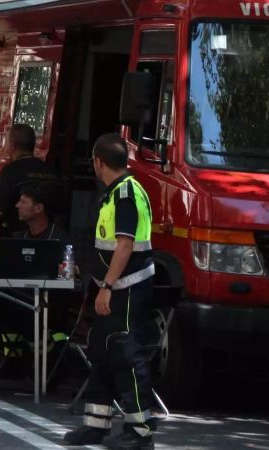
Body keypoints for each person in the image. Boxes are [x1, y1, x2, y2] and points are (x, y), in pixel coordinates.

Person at [64, 134, 157, 449]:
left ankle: (140, 431)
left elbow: (125, 245)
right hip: (115, 287)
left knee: (126, 354)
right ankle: (96, 424)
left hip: (126, 288)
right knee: (101, 350)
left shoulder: (126, 194)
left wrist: (105, 286)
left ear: (98, 162)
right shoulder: (117, 192)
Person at [0, 183, 71, 391]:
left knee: (30, 314)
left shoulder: (59, 239)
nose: (17, 205)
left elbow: (70, 275)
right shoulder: (16, 238)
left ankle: (50, 369)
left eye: (23, 201)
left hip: (47, 305)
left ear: (39, 208)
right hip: (17, 299)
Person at [0, 124, 60, 241]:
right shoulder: (51, 171)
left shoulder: (10, 172)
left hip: (17, 239)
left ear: (13, 145)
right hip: (49, 237)